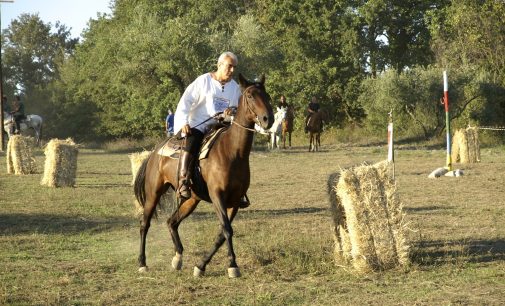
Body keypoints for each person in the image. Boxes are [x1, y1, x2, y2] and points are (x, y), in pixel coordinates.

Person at [174, 51, 249, 207]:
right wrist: (183, 122)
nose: (232, 71)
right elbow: (185, 102)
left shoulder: (234, 88)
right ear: (219, 65)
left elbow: (236, 108)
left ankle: (239, 189)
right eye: (229, 66)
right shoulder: (203, 81)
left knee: (237, 149)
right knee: (192, 141)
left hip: (220, 127)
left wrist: (231, 111)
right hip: (199, 124)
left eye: (234, 67)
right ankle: (183, 182)